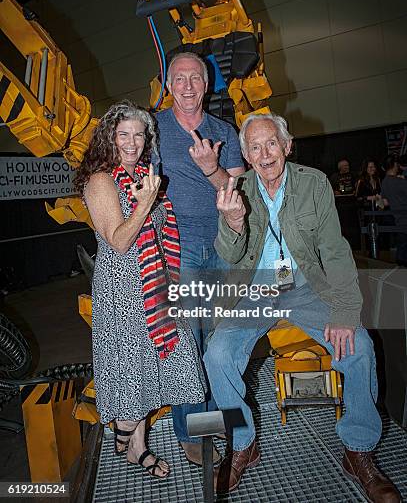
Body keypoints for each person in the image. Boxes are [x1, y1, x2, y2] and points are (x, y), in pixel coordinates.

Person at [204, 113, 401, 502]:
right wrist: (233, 223)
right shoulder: (235, 188)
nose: (264, 154)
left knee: (358, 347)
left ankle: (358, 450)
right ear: (244, 154)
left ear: (287, 145)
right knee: (218, 354)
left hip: (307, 289)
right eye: (255, 147)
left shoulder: (313, 184)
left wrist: (345, 314)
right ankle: (243, 443)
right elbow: (229, 256)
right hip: (254, 290)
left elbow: (336, 252)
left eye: (271, 143)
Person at [74, 100, 206, 478]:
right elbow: (118, 240)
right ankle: (123, 430)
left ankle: (137, 448)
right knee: (133, 370)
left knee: (149, 369)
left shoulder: (143, 175)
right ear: (109, 139)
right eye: (123, 135)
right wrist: (147, 202)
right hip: (122, 290)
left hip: (154, 284)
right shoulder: (101, 180)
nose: (132, 142)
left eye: (139, 135)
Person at [155, 51, 245, 465]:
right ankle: (188, 428)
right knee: (185, 339)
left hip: (223, 244)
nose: (188, 86)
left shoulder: (224, 130)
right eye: (180, 78)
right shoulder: (153, 129)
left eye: (196, 77)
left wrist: (212, 168)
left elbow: (236, 190)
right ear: (167, 85)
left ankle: (214, 421)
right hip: (179, 246)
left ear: (207, 85)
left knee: (217, 339)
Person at [381, 154, 407, 266]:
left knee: (402, 251)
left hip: (398, 220)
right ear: (395, 165)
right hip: (404, 218)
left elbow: (385, 201)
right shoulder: (400, 182)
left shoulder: (385, 182)